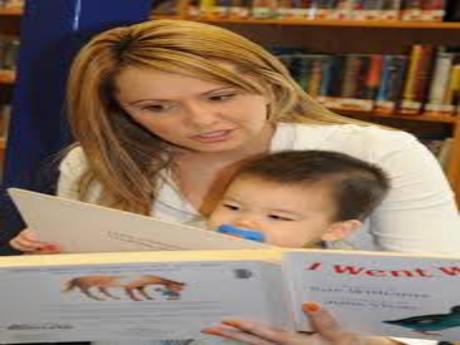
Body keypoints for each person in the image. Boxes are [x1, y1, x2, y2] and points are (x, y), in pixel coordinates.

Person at [5, 18, 459, 345]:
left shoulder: (379, 153)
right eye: (157, 107)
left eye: (221, 96)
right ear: (121, 111)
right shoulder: (94, 164)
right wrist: (55, 267)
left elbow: (438, 306)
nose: (201, 121)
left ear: (267, 81)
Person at [207, 149, 390, 249]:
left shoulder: (339, 273)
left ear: (336, 230)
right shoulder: (194, 240)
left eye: (277, 217)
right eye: (232, 207)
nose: (243, 222)